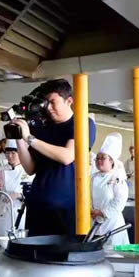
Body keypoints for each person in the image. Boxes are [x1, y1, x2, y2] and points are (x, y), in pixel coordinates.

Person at [12, 79, 96, 236]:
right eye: (46, 103)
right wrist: (19, 138)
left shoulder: (81, 124)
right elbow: (30, 169)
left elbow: (67, 156)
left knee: (64, 256)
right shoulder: (41, 126)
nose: (49, 108)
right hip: (38, 205)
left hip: (66, 208)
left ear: (69, 101)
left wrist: (30, 138)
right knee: (34, 257)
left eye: (53, 102)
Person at [0, 139, 32, 239]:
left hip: (19, 214)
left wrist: (18, 195)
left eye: (13, 153)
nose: (9, 156)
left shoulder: (28, 171)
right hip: (0, 214)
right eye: (7, 153)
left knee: (17, 244)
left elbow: (33, 194)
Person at [90, 133, 129, 245]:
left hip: (113, 224)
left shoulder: (117, 177)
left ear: (111, 161)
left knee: (114, 255)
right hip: (95, 223)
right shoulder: (92, 177)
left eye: (103, 158)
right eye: (97, 158)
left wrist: (103, 212)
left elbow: (120, 199)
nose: (99, 161)